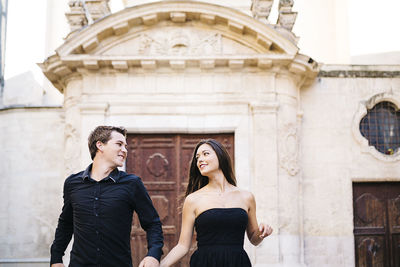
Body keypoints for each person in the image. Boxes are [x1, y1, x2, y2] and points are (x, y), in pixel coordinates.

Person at [50, 126, 163, 267]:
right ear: (100, 145)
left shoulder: (132, 184)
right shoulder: (72, 183)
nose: (125, 150)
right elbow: (66, 224)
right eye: (119, 144)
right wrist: (56, 259)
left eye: (125, 146)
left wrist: (153, 254)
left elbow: (152, 223)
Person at [160, 139, 273, 267]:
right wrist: (160, 265)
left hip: (237, 262)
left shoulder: (246, 197)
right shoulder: (193, 199)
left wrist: (262, 232)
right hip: (205, 262)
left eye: (205, 154)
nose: (200, 160)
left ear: (220, 156)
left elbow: (254, 238)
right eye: (197, 157)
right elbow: (182, 246)